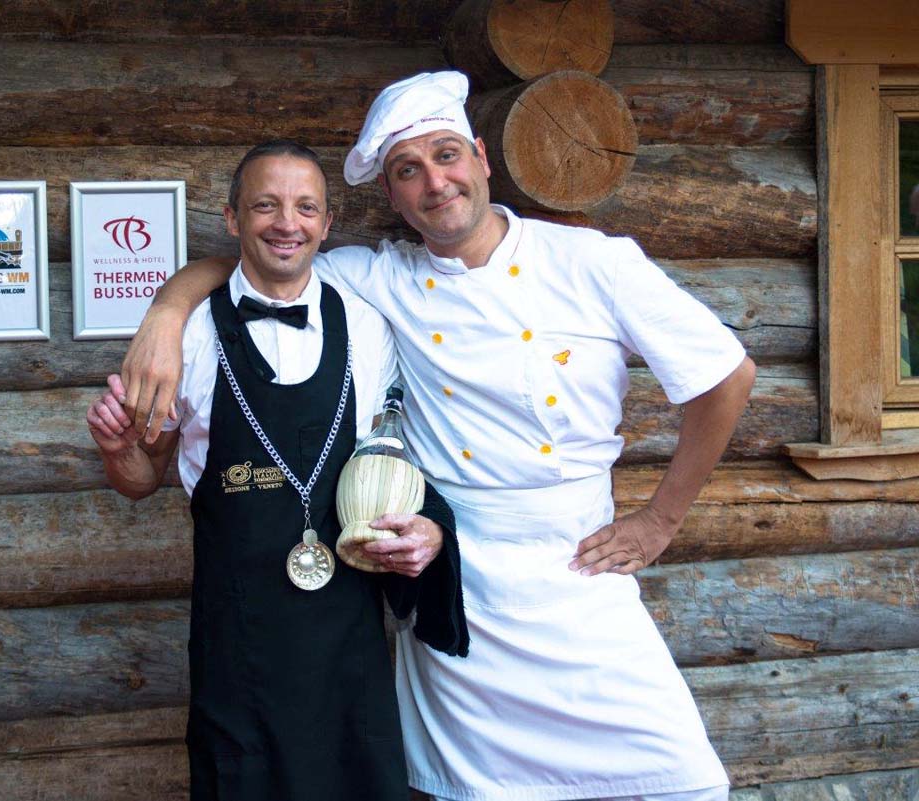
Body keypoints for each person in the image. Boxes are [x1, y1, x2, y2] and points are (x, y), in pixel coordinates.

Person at [119, 72, 757, 801]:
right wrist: (166, 313)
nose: (435, 182)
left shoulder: (594, 262)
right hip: (458, 579)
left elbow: (727, 376)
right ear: (392, 197)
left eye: (447, 155)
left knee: (687, 783)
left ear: (481, 157)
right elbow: (259, 268)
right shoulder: (378, 277)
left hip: (579, 568)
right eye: (407, 170)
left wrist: (660, 520)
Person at [86, 140, 468, 801]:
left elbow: (390, 457)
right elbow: (143, 478)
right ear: (232, 218)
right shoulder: (189, 335)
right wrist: (119, 450)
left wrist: (425, 529)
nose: (287, 223)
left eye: (306, 207)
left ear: (326, 222)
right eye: (266, 205)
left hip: (349, 645)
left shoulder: (369, 328)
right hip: (238, 652)